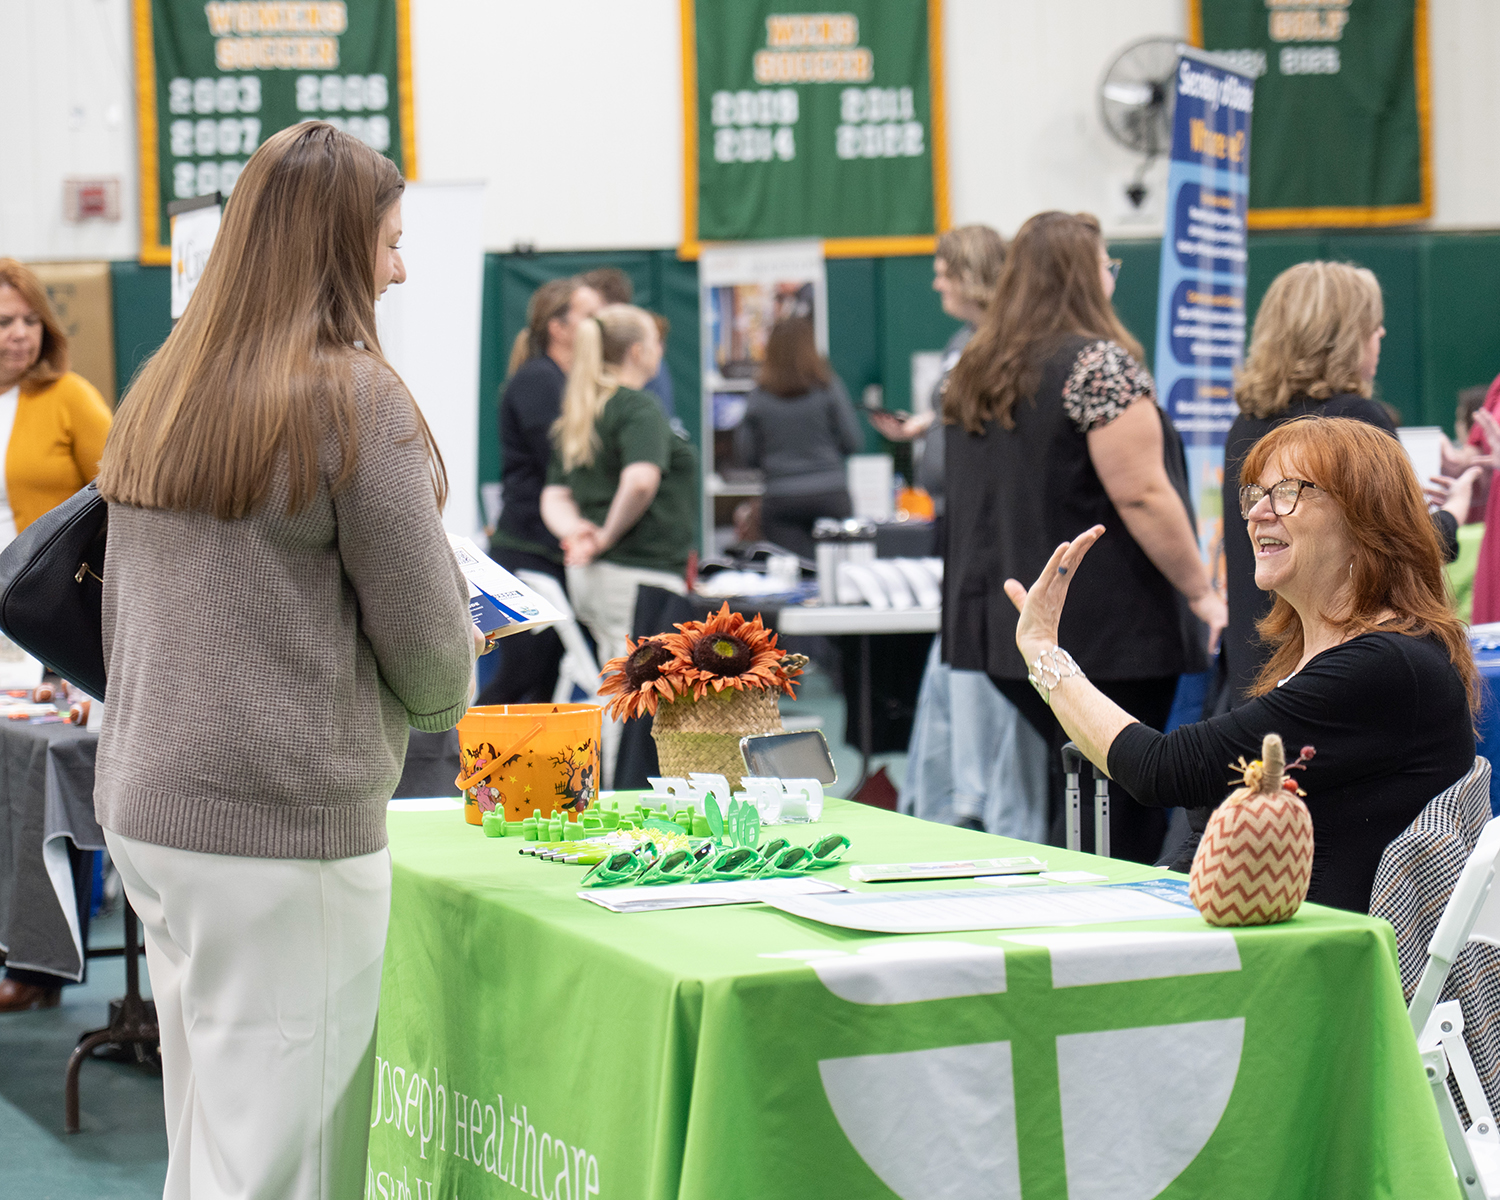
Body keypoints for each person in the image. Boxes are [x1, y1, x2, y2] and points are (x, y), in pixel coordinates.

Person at [91, 123, 476, 1198]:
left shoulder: (163, 388)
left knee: (215, 1143)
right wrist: (461, 630)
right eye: (390, 241)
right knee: (291, 1166)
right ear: (338, 245)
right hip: (278, 830)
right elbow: (437, 670)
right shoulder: (355, 397)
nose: (401, 267)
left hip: (154, 815)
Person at [1005, 416, 1477, 912]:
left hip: (1316, 970)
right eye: (1255, 494)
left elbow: (1164, 770)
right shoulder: (1340, 651)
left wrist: (1043, 652)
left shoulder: (1386, 666)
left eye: (1290, 491)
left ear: (1366, 520)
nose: (1257, 514)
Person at [941, 210, 1225, 864]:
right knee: (1120, 794)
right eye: (1106, 264)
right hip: (1110, 629)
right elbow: (1142, 492)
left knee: (1072, 782)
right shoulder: (1099, 366)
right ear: (1082, 275)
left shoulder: (976, 368)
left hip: (1005, 627)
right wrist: (1203, 592)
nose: (1110, 277)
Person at [1220, 261, 1474, 712]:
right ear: (1342, 337)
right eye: (1372, 328)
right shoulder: (1357, 420)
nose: (1380, 338)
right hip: (1329, 671)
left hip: (1252, 668)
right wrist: (1454, 510)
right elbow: (1406, 546)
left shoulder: (1244, 425)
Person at [0, 258, 114, 1013]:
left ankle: (45, 967)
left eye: (27, 320)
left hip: (40, 622)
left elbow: (116, 504)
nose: (16, 334)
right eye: (3, 322)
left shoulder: (69, 397)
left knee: (49, 779)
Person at [540, 303, 697, 671]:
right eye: (657, 343)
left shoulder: (583, 408)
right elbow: (641, 481)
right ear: (638, 352)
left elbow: (555, 496)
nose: (661, 351)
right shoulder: (638, 407)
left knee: (618, 685)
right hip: (637, 573)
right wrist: (604, 536)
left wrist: (578, 533)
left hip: (596, 577)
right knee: (637, 698)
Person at [481, 276, 601, 705]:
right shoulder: (538, 381)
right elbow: (564, 461)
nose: (600, 326)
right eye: (591, 317)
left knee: (542, 681)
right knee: (522, 677)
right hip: (526, 552)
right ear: (560, 327)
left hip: (548, 550)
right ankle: (453, 760)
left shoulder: (566, 382)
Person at [869, 224, 1007, 519]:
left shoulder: (1008, 343)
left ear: (970, 275)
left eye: (944, 275)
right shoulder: (960, 340)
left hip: (987, 509)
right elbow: (962, 410)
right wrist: (922, 426)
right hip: (947, 505)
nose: (937, 285)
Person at [734, 316, 863, 559]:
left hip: (781, 499)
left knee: (790, 578)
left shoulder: (759, 396)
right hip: (830, 494)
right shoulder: (828, 387)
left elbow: (746, 455)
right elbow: (853, 441)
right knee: (836, 575)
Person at [579, 267, 677, 421]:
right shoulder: (583, 359)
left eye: (592, 313)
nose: (588, 324)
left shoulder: (648, 365)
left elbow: (658, 428)